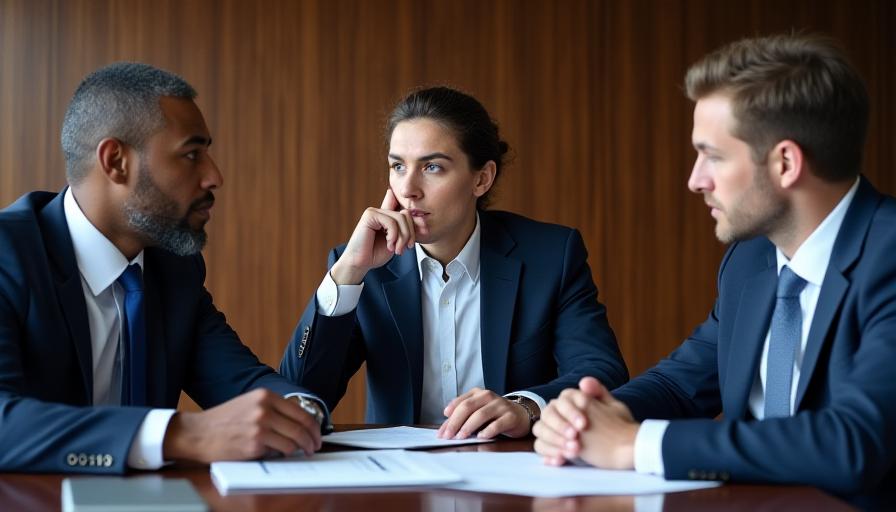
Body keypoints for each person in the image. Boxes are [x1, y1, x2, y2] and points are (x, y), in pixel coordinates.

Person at [533, 34, 896, 494]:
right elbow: (682, 384)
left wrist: (635, 444)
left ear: (785, 162)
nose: (695, 180)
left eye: (713, 155)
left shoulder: (889, 257)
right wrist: (594, 416)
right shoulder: (750, 260)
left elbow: (855, 443)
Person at [0, 63, 329, 474]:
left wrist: (298, 410)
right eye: (192, 155)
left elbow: (239, 380)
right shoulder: (9, 254)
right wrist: (180, 434)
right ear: (116, 161)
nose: (214, 176)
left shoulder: (176, 268)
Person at [281, 86, 627, 440]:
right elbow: (297, 396)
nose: (409, 188)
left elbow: (601, 373)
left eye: (432, 167)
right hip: (399, 479)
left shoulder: (551, 255)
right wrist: (348, 274)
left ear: (481, 178)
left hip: (512, 468)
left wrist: (525, 406)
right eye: (398, 166)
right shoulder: (361, 266)